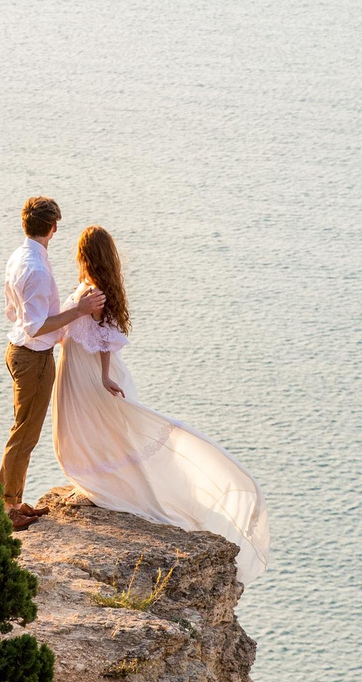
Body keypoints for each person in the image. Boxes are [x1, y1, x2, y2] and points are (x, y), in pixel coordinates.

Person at [48, 224, 269, 582]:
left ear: (85, 255)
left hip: (83, 371)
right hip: (80, 368)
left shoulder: (93, 291)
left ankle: (101, 480)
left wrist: (104, 376)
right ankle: (97, 476)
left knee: (86, 425)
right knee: (88, 426)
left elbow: (103, 337)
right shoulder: (99, 287)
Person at [1, 195, 104, 527]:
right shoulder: (37, 269)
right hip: (33, 358)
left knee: (24, 430)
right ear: (54, 228)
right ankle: (7, 509)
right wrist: (79, 311)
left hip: (20, 352)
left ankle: (12, 501)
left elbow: (14, 313)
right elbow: (35, 328)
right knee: (25, 434)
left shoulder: (20, 257)